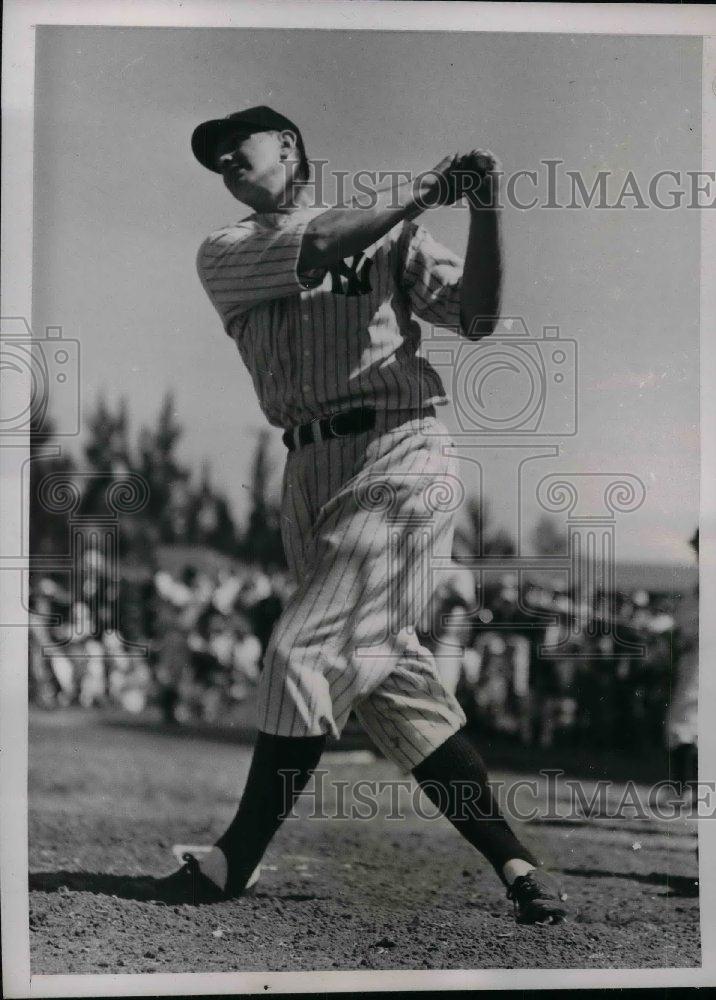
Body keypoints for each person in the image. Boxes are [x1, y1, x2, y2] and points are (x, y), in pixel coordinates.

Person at [132, 106, 567, 924]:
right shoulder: (225, 250)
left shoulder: (391, 236)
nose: (226, 160)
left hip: (400, 453)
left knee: (306, 646)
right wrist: (420, 194)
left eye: (240, 145)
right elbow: (319, 247)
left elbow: (476, 318)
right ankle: (517, 863)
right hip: (308, 470)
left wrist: (483, 206)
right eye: (214, 159)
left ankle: (232, 862)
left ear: (289, 144)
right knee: (391, 683)